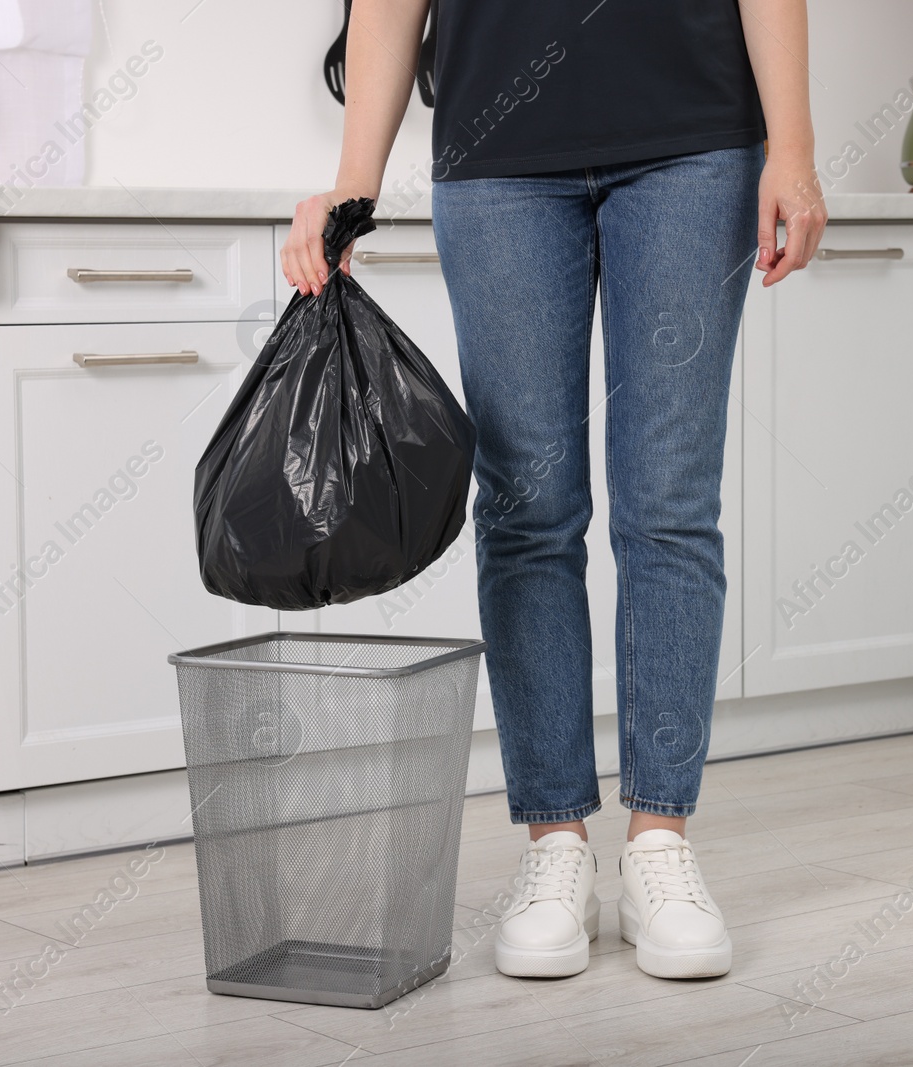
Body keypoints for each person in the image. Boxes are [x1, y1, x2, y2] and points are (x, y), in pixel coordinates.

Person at [281, 0, 824, 981]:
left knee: (668, 504)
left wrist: (793, 148)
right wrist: (351, 186)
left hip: (693, 142)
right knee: (526, 512)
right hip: (496, 155)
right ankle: (554, 845)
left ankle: (659, 841)